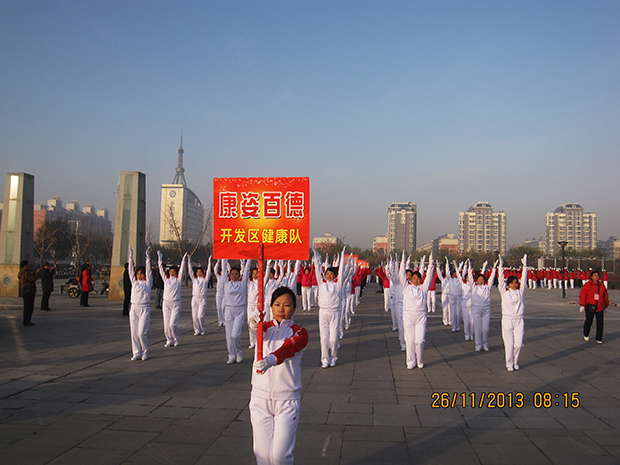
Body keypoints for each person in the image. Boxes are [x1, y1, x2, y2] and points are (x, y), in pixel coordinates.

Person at [250, 286, 308, 465]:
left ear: (294, 308)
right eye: (277, 304)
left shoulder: (299, 332)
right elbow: (255, 333)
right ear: (271, 307)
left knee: (280, 457)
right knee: (263, 456)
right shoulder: (264, 329)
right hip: (260, 399)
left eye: (286, 305)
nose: (281, 309)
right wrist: (253, 323)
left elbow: (288, 348)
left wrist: (270, 360)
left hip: (287, 400)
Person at [399, 253, 434, 369]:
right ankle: (410, 361)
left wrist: (431, 263)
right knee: (409, 341)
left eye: (418, 278)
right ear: (410, 279)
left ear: (421, 279)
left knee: (420, 341)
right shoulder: (406, 287)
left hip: (421, 317)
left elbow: (429, 276)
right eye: (413, 278)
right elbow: (401, 275)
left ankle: (419, 360)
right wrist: (403, 262)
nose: (416, 280)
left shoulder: (423, 288)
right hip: (408, 316)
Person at [313, 244, 346, 368]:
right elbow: (318, 270)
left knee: (333, 339)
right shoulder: (321, 284)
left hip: (334, 313)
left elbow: (342, 271)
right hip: (323, 313)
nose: (329, 276)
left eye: (331, 274)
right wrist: (316, 255)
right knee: (324, 339)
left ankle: (333, 357)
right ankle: (325, 359)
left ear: (335, 276)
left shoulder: (338, 285)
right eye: (327, 273)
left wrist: (342, 256)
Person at [498, 254, 527, 371]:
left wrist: (525, 266)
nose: (514, 285)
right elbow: (500, 281)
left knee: (518, 344)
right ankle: (509, 363)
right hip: (507, 320)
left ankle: (515, 361)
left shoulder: (520, 292)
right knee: (509, 344)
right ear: (508, 284)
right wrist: (501, 267)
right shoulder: (504, 292)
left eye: (516, 282)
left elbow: (524, 280)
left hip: (519, 320)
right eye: (512, 283)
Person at [222, 258, 251, 364]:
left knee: (235, 335)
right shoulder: (226, 283)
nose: (234, 276)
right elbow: (224, 269)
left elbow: (247, 269)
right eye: (232, 274)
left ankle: (239, 353)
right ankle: (231, 355)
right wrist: (223, 258)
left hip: (239, 311)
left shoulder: (242, 283)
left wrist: (249, 259)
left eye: (236, 274)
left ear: (239, 275)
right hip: (228, 311)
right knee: (229, 336)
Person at [157, 251, 187, 347]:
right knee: (166, 325)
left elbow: (182, 270)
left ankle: (175, 338)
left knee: (172, 324)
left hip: (176, 304)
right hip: (166, 304)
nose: (172, 273)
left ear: (176, 272)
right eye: (170, 271)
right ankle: (168, 340)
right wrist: (159, 260)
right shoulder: (166, 280)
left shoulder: (178, 280)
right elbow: (161, 271)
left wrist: (183, 261)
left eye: (174, 271)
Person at [128, 246, 152, 360]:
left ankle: (144, 351)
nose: (139, 276)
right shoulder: (134, 282)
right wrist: (131, 257)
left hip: (144, 308)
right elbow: (130, 271)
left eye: (142, 274)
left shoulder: (147, 283)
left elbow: (149, 272)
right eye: (138, 274)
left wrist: (147, 258)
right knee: (134, 333)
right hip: (134, 308)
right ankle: (136, 353)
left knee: (141, 333)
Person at [470, 260, 497, 352]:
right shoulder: (474, 287)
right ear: (476, 281)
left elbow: (492, 278)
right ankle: (478, 345)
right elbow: (470, 278)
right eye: (479, 280)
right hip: (476, 309)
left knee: (485, 329)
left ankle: (485, 343)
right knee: (477, 329)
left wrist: (494, 268)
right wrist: (469, 267)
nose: (481, 281)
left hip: (486, 310)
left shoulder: (487, 287)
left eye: (482, 279)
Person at [580, 270, 609, 344]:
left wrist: (606, 305)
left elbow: (605, 296)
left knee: (600, 323)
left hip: (600, 306)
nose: (597, 277)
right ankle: (586, 334)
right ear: (592, 277)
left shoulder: (601, 285)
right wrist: (582, 305)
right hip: (590, 305)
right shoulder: (587, 285)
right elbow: (583, 295)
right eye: (595, 275)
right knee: (589, 321)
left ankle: (599, 338)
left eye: (598, 275)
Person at [188, 255, 212, 336]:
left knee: (200, 316)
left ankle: (202, 329)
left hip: (202, 299)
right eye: (197, 272)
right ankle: (196, 330)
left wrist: (209, 262)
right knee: (194, 317)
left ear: (203, 272)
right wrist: (189, 262)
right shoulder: (194, 280)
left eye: (200, 272)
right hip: (194, 299)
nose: (199, 273)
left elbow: (209, 272)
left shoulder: (205, 280)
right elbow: (190, 272)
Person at [18, 260, 40, 326]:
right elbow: (32, 278)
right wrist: (37, 273)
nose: (29, 266)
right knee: (28, 307)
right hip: (28, 291)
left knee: (27, 307)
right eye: (28, 265)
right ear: (25, 266)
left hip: (26, 291)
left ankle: (27, 321)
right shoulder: (25, 273)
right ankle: (26, 321)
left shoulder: (23, 272)